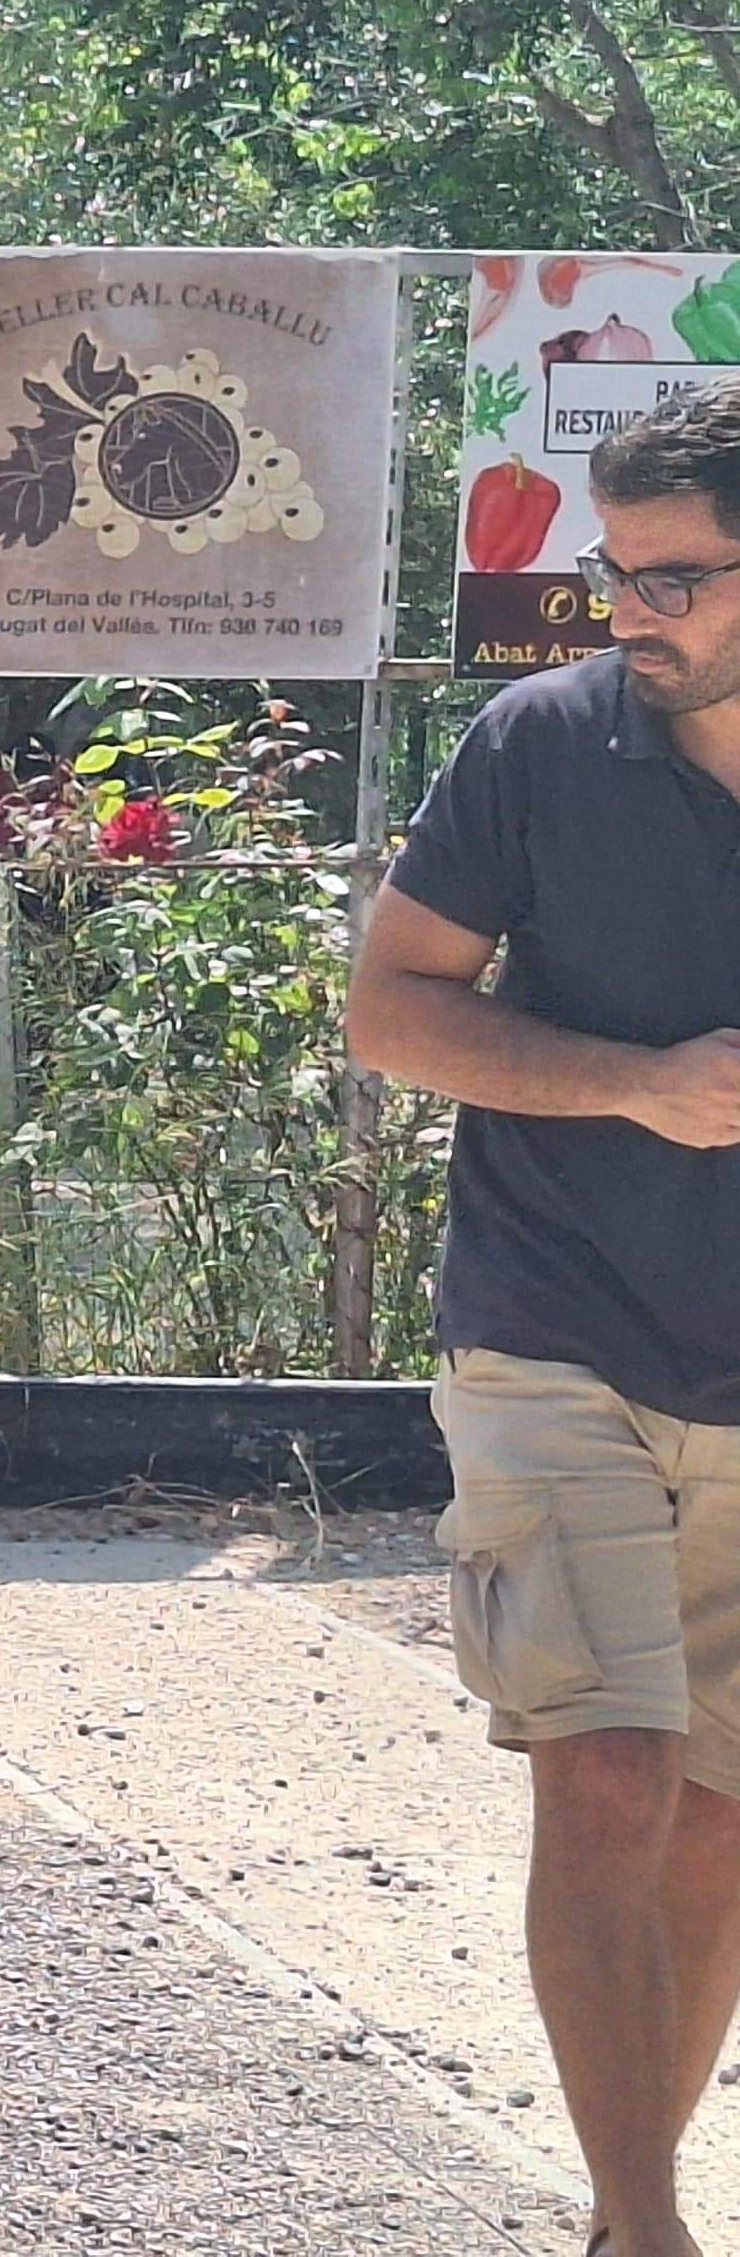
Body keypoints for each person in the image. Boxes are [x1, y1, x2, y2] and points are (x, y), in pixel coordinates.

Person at [345, 377, 740, 2257]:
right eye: (614, 569)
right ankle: (653, 2225)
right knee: (604, 1771)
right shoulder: (538, 742)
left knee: (720, 1814)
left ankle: (614, 2221)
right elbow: (394, 1011)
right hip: (551, 1323)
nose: (628, 610)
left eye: (673, 576)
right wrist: (635, 1083)